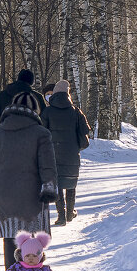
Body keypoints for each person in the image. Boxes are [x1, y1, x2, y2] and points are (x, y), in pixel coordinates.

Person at [0, 91, 58, 269]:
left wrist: (6, 169)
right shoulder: (41, 133)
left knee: (11, 239)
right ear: (35, 110)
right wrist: (49, 188)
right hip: (31, 196)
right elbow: (47, 166)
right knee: (31, 242)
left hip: (2, 194)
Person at [41, 79, 90, 226]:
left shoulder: (47, 111)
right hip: (72, 153)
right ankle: (70, 213)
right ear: (68, 93)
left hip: (53, 153)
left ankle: (61, 216)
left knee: (58, 184)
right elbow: (85, 130)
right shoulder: (76, 111)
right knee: (71, 182)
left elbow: (42, 131)